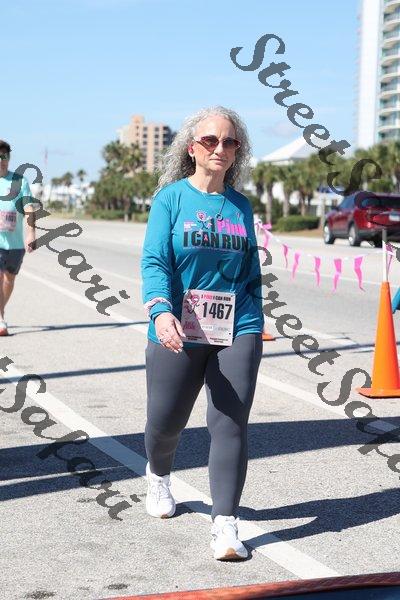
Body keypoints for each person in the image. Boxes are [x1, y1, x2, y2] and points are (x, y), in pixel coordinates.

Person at [141, 106, 264, 561]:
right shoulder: (171, 199)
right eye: (210, 140)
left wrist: (256, 320)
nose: (220, 148)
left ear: (237, 151)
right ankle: (158, 475)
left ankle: (225, 524)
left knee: (230, 422)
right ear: (192, 148)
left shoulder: (240, 205)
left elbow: (250, 268)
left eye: (229, 141)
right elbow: (155, 260)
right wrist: (160, 312)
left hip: (238, 325)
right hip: (177, 327)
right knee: (166, 422)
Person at [0, 140, 37, 335]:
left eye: (4, 156)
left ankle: (1, 311)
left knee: (9, 280)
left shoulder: (19, 181)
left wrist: (31, 233)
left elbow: (29, 207)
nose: (1, 160)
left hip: (14, 244)